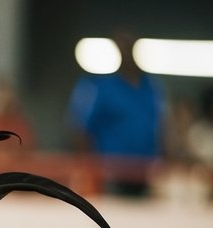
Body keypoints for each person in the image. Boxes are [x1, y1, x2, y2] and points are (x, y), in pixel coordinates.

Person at [67, 31, 165, 196]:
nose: (125, 53)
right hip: (111, 173)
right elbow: (81, 129)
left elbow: (160, 127)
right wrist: (89, 170)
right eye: (121, 48)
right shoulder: (100, 86)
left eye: (128, 47)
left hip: (145, 173)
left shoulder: (151, 87)